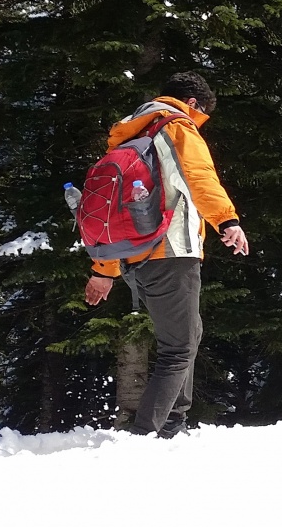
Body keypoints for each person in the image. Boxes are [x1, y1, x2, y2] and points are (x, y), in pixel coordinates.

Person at [83, 72, 248, 438]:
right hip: (171, 250)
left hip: (137, 256)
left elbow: (110, 214)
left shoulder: (133, 134)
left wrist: (105, 271)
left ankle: (175, 424)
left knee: (188, 336)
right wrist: (227, 220)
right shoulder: (177, 126)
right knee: (180, 347)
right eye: (201, 112)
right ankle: (147, 435)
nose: (199, 120)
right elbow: (201, 177)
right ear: (191, 103)